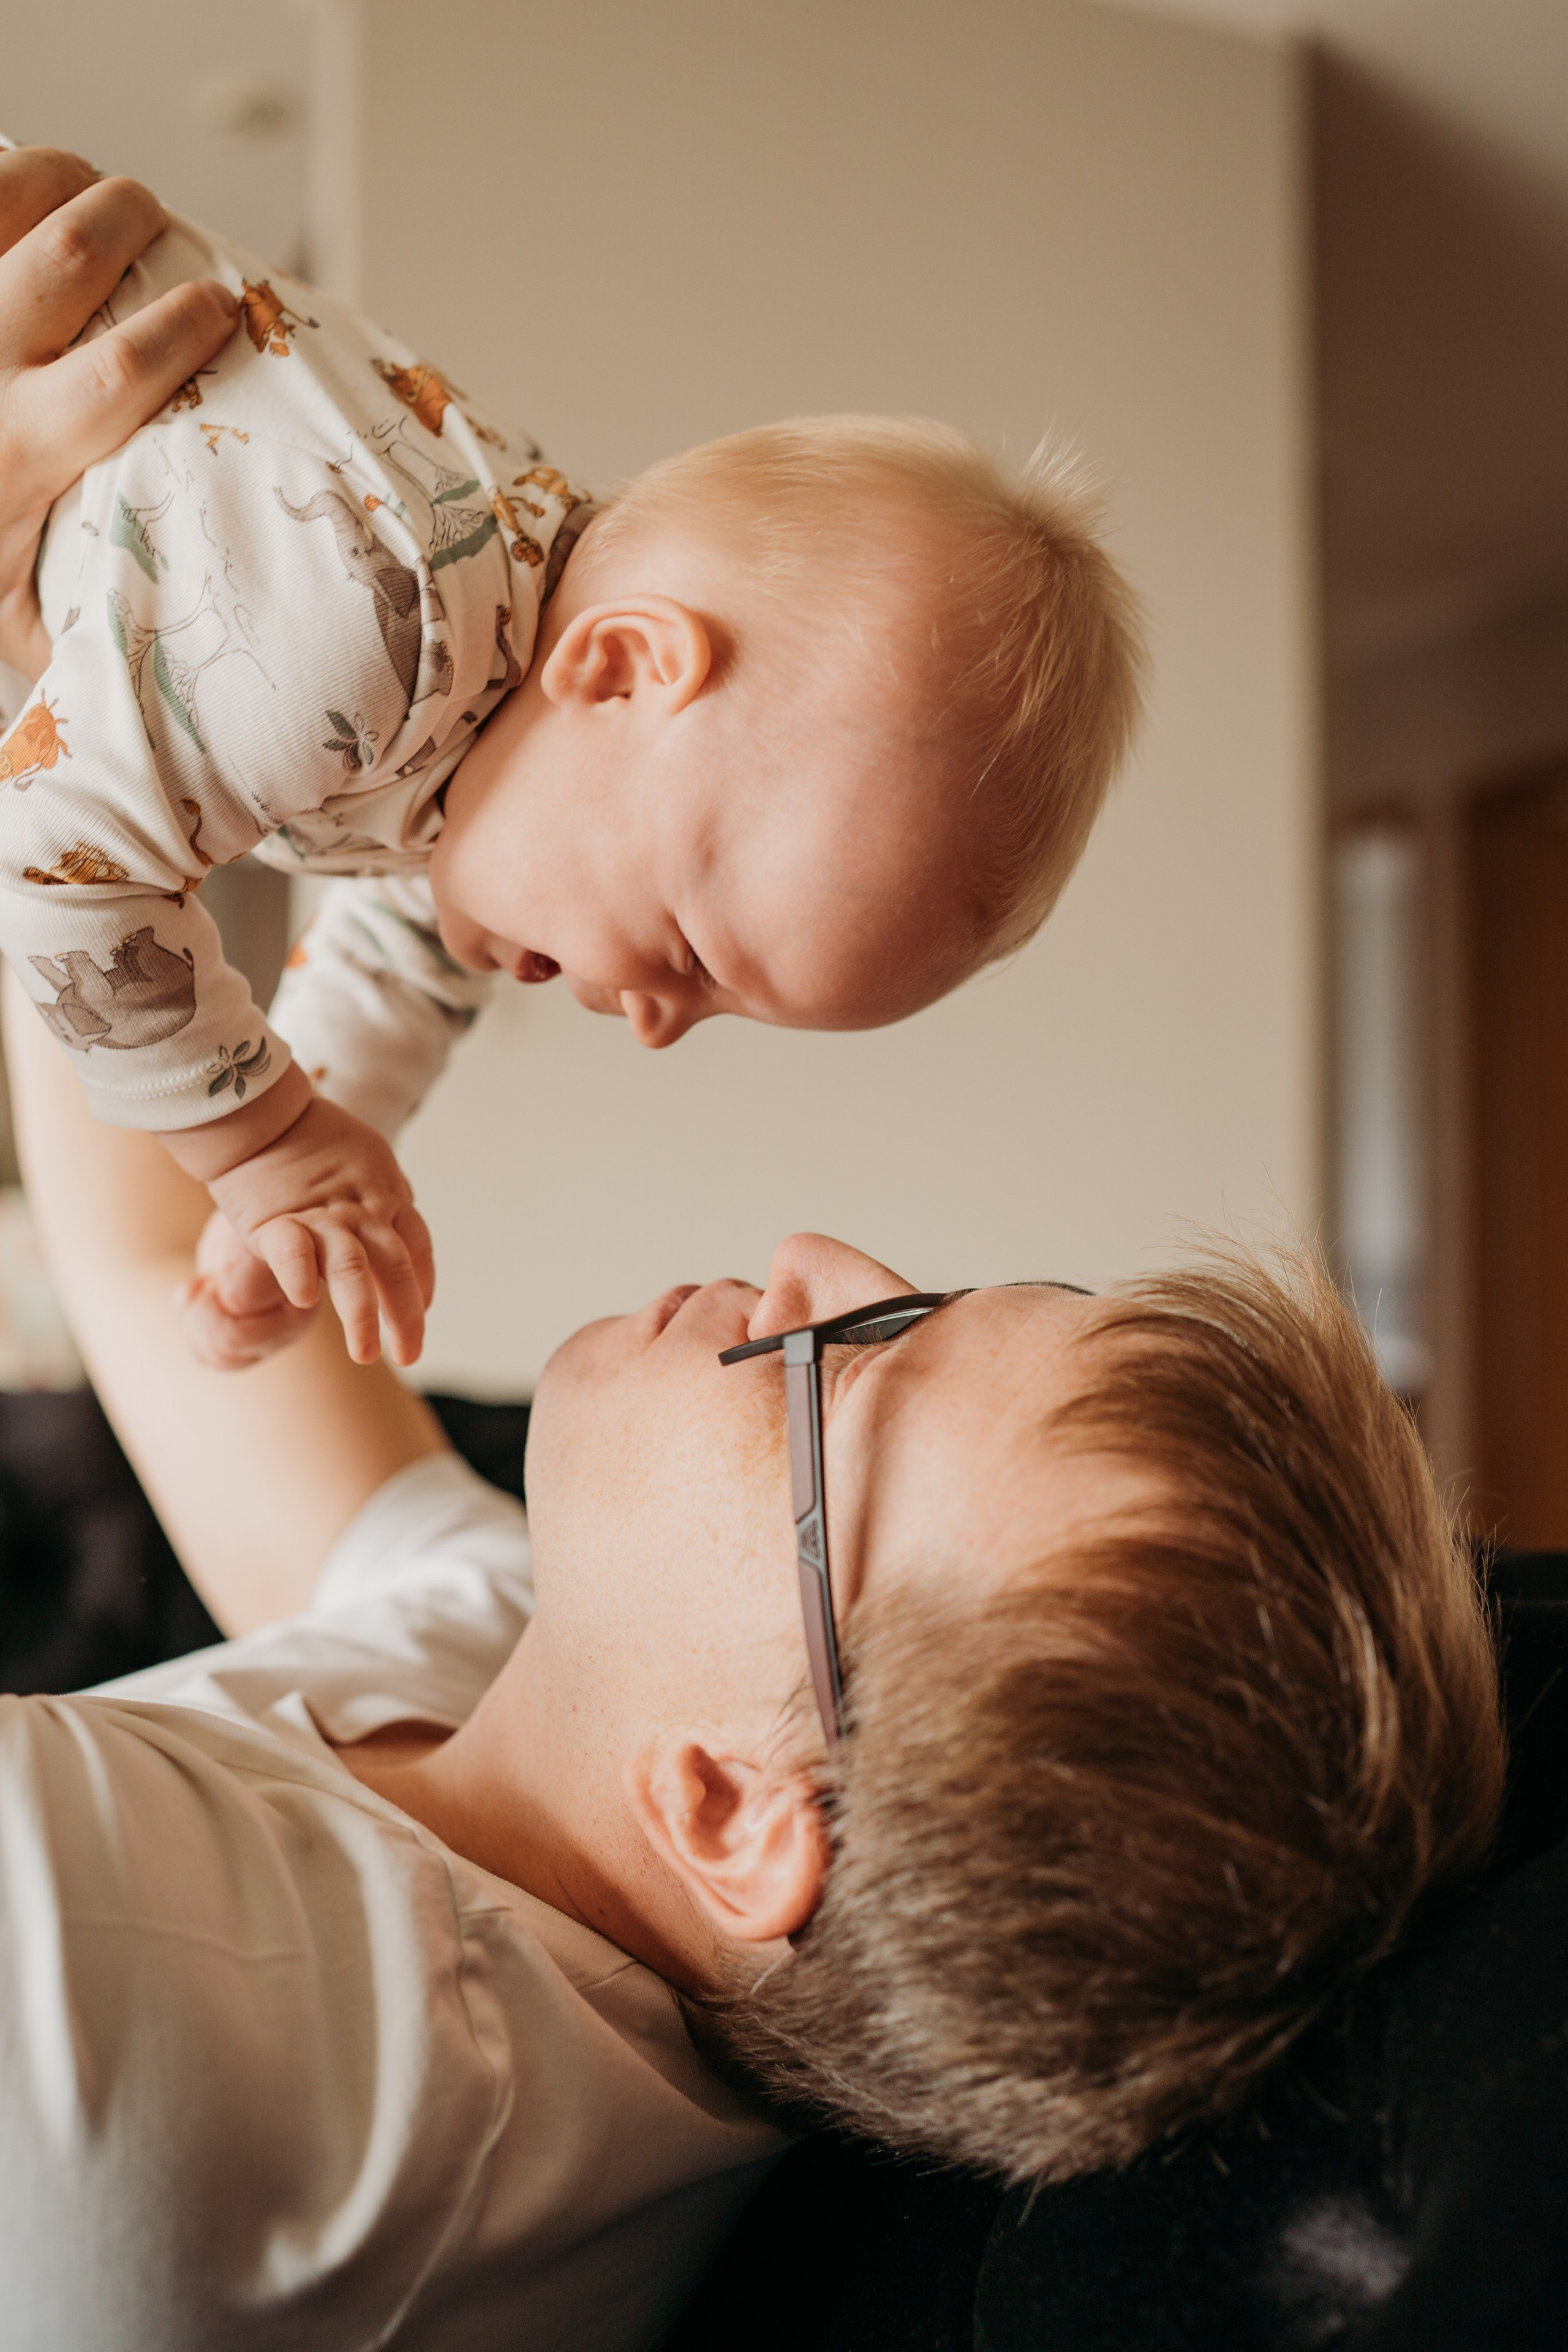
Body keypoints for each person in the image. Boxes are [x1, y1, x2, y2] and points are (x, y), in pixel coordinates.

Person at [0, 152, 1506, 2351]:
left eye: (862, 1363)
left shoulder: (135, 2037)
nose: (803, 1250)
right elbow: (153, 1264)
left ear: (735, 1811)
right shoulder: (550, 1782)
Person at [0, 140, 1144, 1377]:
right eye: (696, 959)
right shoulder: (365, 625)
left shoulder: (479, 707)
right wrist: (266, 1150)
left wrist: (309, 1195)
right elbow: (59, 872)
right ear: (623, 670)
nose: (651, 1025)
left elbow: (403, 952)